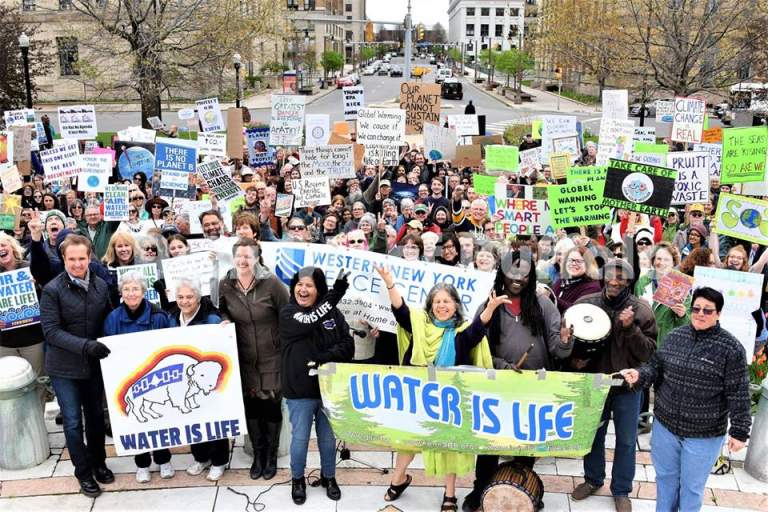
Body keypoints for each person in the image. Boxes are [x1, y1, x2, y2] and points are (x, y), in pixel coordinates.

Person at [374, 265, 509, 512]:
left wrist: (489, 308)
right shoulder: (419, 326)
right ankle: (398, 479)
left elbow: (479, 329)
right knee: (408, 441)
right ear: (430, 305)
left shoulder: (461, 333)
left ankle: (449, 495)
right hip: (417, 397)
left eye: (447, 301)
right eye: (437, 301)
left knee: (449, 446)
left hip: (450, 401)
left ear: (456, 305)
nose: (442, 305)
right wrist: (390, 283)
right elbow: (401, 311)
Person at [621, 287, 751, 512]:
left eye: (707, 310)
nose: (700, 314)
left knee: (691, 488)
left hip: (704, 434)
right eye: (697, 309)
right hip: (665, 427)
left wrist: (739, 431)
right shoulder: (674, 337)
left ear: (718, 314)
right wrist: (640, 375)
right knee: (665, 481)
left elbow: (738, 392)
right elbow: (655, 367)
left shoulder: (731, 348)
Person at [463, 250, 572, 511]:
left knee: (526, 440)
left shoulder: (543, 304)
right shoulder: (489, 304)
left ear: (530, 277)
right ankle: (480, 489)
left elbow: (557, 348)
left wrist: (567, 342)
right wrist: (502, 366)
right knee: (490, 440)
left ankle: (523, 487)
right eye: (512, 272)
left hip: (533, 387)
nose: (517, 278)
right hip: (497, 386)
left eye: (523, 274)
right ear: (502, 273)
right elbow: (478, 346)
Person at [569, 258, 657, 512]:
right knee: (593, 436)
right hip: (594, 385)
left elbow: (649, 353)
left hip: (626, 388)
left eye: (621, 277)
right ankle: (593, 479)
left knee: (627, 440)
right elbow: (569, 341)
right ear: (602, 277)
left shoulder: (641, 310)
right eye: (610, 275)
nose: (614, 281)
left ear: (630, 281)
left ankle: (621, 490)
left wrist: (630, 329)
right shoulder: (586, 304)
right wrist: (573, 359)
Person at [40, 234, 114, 498]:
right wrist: (86, 345)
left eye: (82, 258)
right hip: (64, 367)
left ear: (90, 257)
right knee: (72, 422)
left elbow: (110, 318)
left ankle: (99, 463)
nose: (77, 264)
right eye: (71, 259)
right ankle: (83, 472)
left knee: (95, 417)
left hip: (93, 365)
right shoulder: (52, 290)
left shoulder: (101, 286)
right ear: (64, 259)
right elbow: (51, 332)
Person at [280, 268, 355, 505]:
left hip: (329, 389)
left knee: (327, 439)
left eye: (309, 286)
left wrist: (326, 356)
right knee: (300, 438)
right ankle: (297, 479)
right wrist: (336, 294)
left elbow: (348, 345)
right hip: (299, 390)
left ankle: (329, 477)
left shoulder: (332, 312)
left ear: (318, 289)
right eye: (300, 284)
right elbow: (309, 320)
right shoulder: (288, 312)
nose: (303, 289)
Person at [218, 238, 289, 481]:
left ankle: (270, 455)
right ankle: (258, 455)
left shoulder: (272, 284)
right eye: (239, 256)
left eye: (248, 256)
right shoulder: (226, 283)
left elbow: (288, 314)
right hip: (244, 357)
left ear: (257, 257)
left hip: (272, 358)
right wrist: (225, 319)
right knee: (251, 408)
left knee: (270, 407)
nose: (243, 261)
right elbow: (223, 309)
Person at [103, 271, 173, 483]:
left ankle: (164, 459)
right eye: (127, 289)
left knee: (158, 417)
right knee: (134, 419)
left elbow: (170, 345)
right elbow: (108, 348)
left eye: (135, 289)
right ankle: (142, 463)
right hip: (128, 379)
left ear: (144, 291)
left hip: (155, 376)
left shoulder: (159, 316)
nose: (131, 293)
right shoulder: (113, 318)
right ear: (121, 292)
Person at [169, 278, 230, 481]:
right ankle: (201, 457)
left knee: (214, 419)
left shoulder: (211, 319)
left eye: (189, 297)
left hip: (209, 381)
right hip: (186, 380)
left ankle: (219, 461)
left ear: (198, 298)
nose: (185, 301)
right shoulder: (172, 319)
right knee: (192, 419)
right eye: (180, 297)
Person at [0, 233, 46, 403]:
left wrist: (38, 286)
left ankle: (38, 426)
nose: (1, 249)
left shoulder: (30, 268)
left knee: (37, 384)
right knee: (8, 387)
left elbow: (48, 296)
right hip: (5, 343)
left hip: (33, 340)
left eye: (3, 245)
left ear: (12, 247)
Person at [552, 247, 602, 314]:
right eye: (570, 260)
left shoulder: (593, 287)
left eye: (579, 261)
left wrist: (551, 297)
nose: (573, 264)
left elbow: (577, 311)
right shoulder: (561, 280)